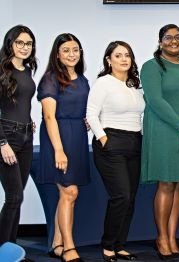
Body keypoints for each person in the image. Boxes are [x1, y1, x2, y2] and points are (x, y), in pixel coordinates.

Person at [140, 24, 179, 260]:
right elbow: (155, 100)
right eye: (168, 38)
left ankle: (173, 237)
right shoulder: (152, 67)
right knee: (166, 184)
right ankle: (162, 238)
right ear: (160, 42)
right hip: (165, 132)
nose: (174, 41)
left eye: (178, 37)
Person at [86, 41, 144, 261]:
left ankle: (120, 245)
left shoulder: (134, 85)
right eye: (118, 55)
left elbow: (139, 116)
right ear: (109, 60)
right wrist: (104, 139)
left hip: (135, 143)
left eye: (127, 55)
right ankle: (108, 245)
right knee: (121, 195)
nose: (124, 59)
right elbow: (91, 114)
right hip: (111, 143)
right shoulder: (103, 83)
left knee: (131, 198)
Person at [37, 33, 90, 262]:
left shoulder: (82, 79)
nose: (71, 54)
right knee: (70, 192)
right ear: (57, 54)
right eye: (66, 50)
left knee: (65, 194)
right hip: (57, 138)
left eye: (75, 50)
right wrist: (59, 150)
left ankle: (57, 243)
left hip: (77, 137)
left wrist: (86, 120)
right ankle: (69, 247)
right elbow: (49, 116)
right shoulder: (50, 79)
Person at [0, 25, 37, 249]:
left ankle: (10, 250)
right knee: (13, 197)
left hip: (26, 136)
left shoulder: (27, 70)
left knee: (18, 197)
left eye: (29, 43)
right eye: (20, 43)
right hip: (8, 137)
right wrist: (2, 143)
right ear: (10, 44)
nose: (25, 47)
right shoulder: (2, 70)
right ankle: (3, 250)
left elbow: (22, 102)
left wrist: (28, 120)